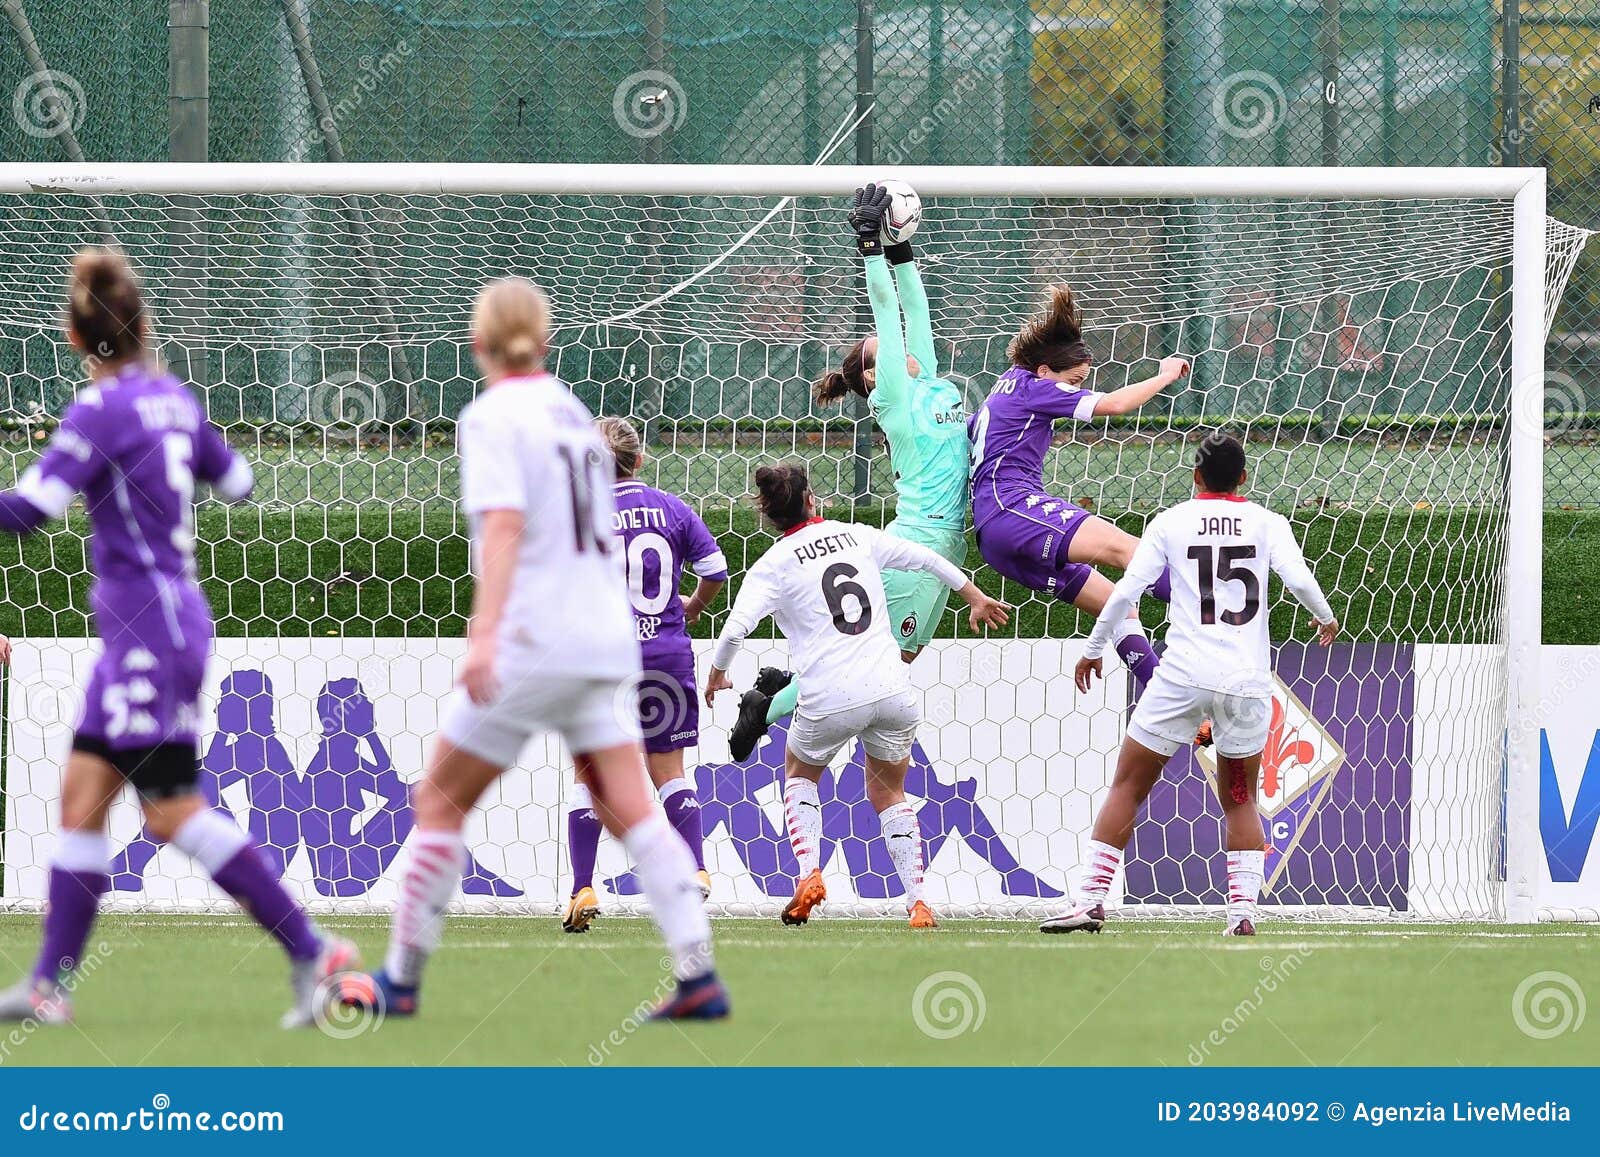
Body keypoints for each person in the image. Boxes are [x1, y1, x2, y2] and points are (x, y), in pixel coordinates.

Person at [339, 277, 726, 1020]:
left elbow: (506, 529)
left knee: (439, 800)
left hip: (536, 638)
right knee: (633, 808)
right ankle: (697, 972)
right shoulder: (574, 415)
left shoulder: (492, 416)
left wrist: (484, 635)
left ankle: (403, 977)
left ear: (478, 344)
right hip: (603, 641)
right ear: (545, 343)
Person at [0, 248, 355, 1028]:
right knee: (83, 796)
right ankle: (48, 984)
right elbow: (240, 483)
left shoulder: (101, 411)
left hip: (146, 630)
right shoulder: (173, 397)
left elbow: (29, 510)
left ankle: (312, 948)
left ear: (73, 334)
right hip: (164, 619)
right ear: (143, 325)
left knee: (168, 809)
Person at [1041, 433, 1338, 936]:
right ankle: (1242, 915)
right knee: (1240, 798)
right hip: (1244, 683)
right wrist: (1325, 618)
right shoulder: (1269, 523)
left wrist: (1093, 648)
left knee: (1129, 785)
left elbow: (1126, 591)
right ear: (1244, 477)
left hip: (1181, 677)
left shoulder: (1170, 523)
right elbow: (1300, 580)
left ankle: (1090, 901)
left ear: (1195, 476)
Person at [726, 184, 972, 762]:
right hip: (924, 536)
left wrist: (901, 247)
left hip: (945, 544)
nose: (900, 343)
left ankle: (779, 686)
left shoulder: (927, 375)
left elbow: (914, 311)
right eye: (883, 348)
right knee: (880, 661)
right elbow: (888, 315)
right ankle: (770, 708)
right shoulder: (893, 398)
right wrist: (867, 245)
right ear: (871, 375)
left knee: (894, 658)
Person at [704, 464, 1009, 928]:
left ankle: (809, 873)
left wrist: (717, 675)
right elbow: (928, 560)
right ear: (812, 500)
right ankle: (918, 902)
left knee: (800, 774)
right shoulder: (857, 535)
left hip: (829, 698)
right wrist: (974, 596)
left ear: (768, 517)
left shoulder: (773, 565)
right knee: (890, 791)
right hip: (891, 689)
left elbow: (734, 630)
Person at [969, 285, 1188, 690]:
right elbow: (1116, 406)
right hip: (1015, 510)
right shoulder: (1034, 389)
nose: (1074, 389)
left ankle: (1165, 702)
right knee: (1131, 550)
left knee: (1118, 608)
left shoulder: (1003, 390)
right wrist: (1164, 375)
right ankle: (1219, 614)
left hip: (994, 537)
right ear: (1044, 371)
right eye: (1073, 381)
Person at [561, 416, 727, 932]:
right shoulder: (673, 508)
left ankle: (582, 887)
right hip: (667, 657)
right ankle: (697, 869)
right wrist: (694, 606)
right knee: (669, 773)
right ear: (641, 458)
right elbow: (716, 571)